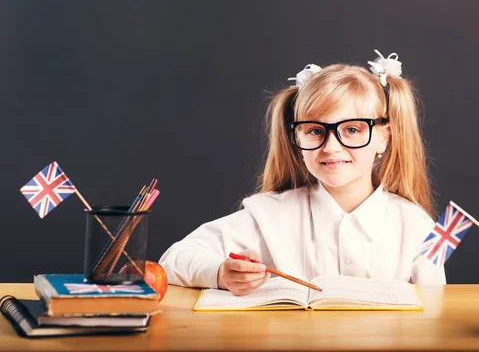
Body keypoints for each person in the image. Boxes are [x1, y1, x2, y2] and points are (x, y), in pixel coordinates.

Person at [159, 50, 445, 296]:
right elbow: (174, 259)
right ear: (297, 139)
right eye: (315, 131)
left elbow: (435, 314)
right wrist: (221, 273)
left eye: (353, 129)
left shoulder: (416, 226)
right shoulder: (268, 216)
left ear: (384, 138)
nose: (331, 147)